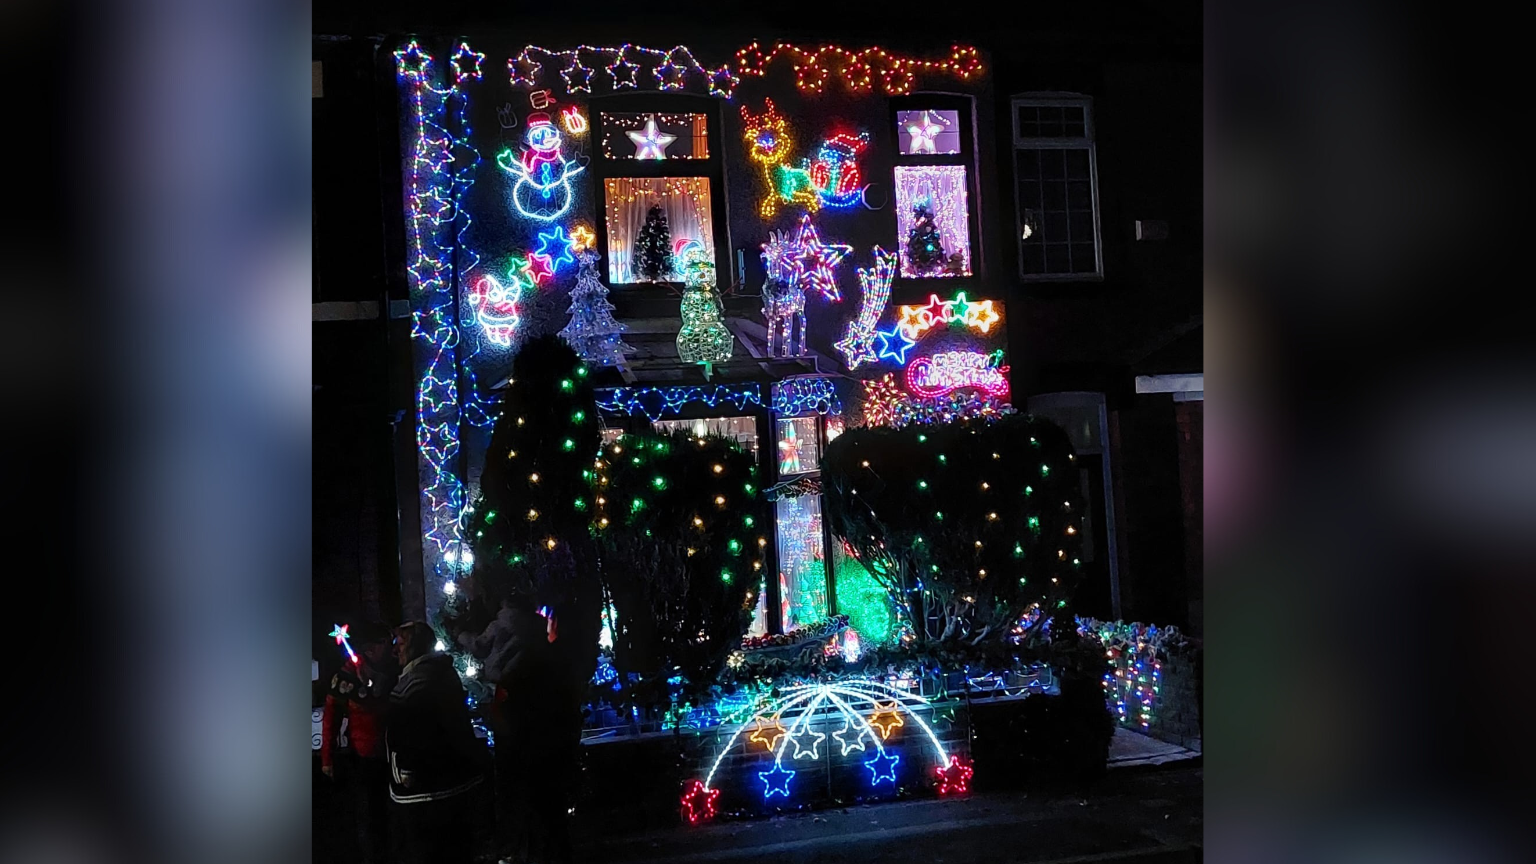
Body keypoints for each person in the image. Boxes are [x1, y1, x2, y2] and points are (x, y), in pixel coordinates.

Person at [387, 621, 488, 864]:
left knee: (430, 851)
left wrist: (406, 772)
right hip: (453, 780)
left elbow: (410, 733)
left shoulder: (413, 686)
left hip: (428, 789)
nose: (395, 651)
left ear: (413, 648)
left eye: (400, 644)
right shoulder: (442, 673)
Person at [320, 620, 396, 864]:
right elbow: (331, 720)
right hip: (365, 758)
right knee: (369, 816)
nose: (392, 648)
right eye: (386, 643)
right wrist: (327, 759)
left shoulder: (395, 670)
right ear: (370, 647)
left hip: (397, 755)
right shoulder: (347, 676)